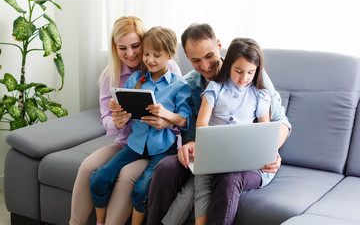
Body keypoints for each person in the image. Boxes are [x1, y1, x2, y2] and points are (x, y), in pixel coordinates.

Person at [146, 23, 291, 225]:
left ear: (219, 47)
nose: (205, 66)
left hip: (247, 161)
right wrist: (188, 144)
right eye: (196, 60)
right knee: (165, 168)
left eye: (209, 56)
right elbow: (191, 130)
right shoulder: (190, 85)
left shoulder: (250, 73)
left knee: (229, 178)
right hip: (207, 157)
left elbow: (280, 121)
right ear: (187, 57)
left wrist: (269, 151)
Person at [69, 16, 182, 225]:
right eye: (122, 48)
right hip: (127, 142)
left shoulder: (169, 68)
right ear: (115, 47)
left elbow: (180, 113)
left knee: (128, 174)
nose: (130, 54)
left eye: (136, 46)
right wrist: (117, 122)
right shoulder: (111, 75)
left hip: (160, 144)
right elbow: (105, 118)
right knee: (87, 167)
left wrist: (167, 122)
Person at [193, 37, 271, 224]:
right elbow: (201, 126)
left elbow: (266, 133)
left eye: (250, 73)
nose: (244, 78)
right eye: (238, 71)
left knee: (230, 177)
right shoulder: (216, 88)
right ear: (228, 65)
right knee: (222, 177)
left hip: (250, 165)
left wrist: (269, 155)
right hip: (217, 158)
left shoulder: (260, 94)